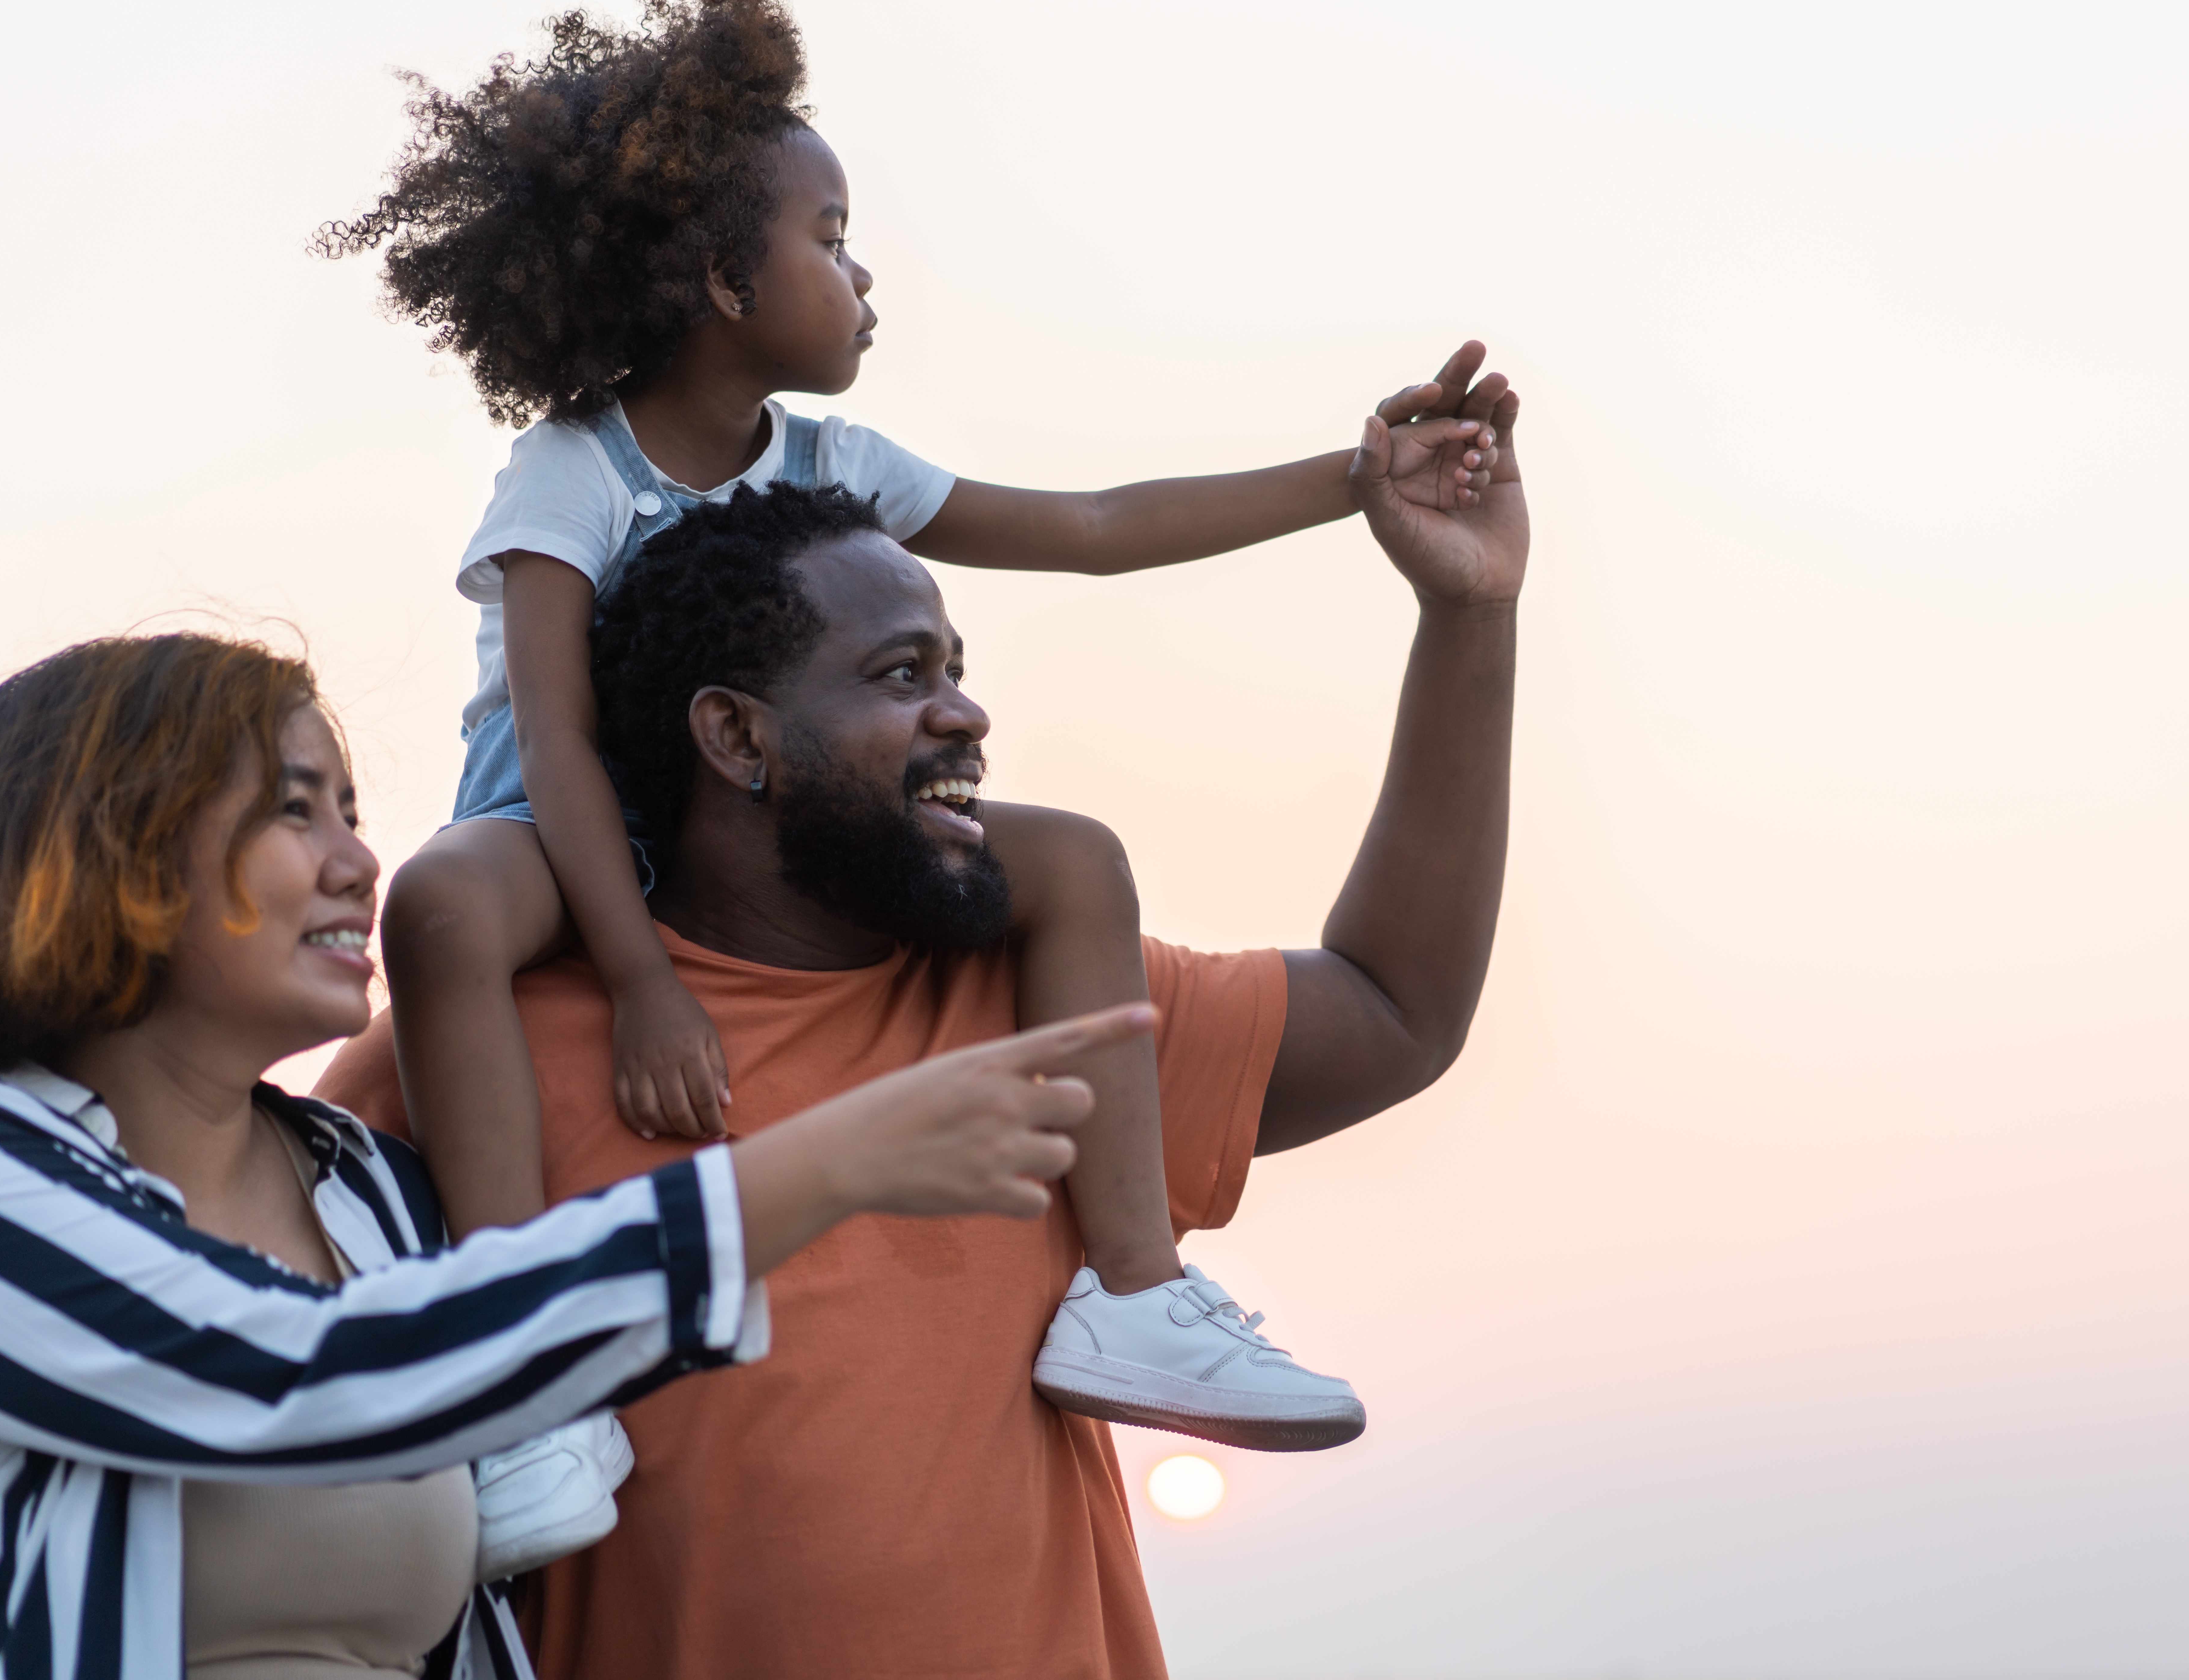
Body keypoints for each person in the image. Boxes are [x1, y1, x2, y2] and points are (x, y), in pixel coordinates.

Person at [311, 0, 1499, 1567]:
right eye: (833, 240)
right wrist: (640, 978)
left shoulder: (833, 464)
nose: (867, 278)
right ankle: (525, 1374)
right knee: (442, 910)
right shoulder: (569, 474)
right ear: (725, 283)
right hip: (561, 821)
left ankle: (1134, 1288)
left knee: (1071, 851)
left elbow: (1092, 527)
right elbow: (563, 733)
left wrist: (1353, 482)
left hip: (732, 827)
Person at [316, 362, 1527, 1677]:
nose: (965, 712)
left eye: (956, 667)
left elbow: (1397, 1010)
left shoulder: (1055, 1003)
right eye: (903, 675)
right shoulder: (489, 1046)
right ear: (736, 737)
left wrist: (1471, 617)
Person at [0, 632, 1144, 1680]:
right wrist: (817, 1165)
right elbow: (295, 1380)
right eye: (294, 811)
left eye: (354, 809)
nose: (360, 861)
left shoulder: (372, 1190)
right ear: (107, 853)